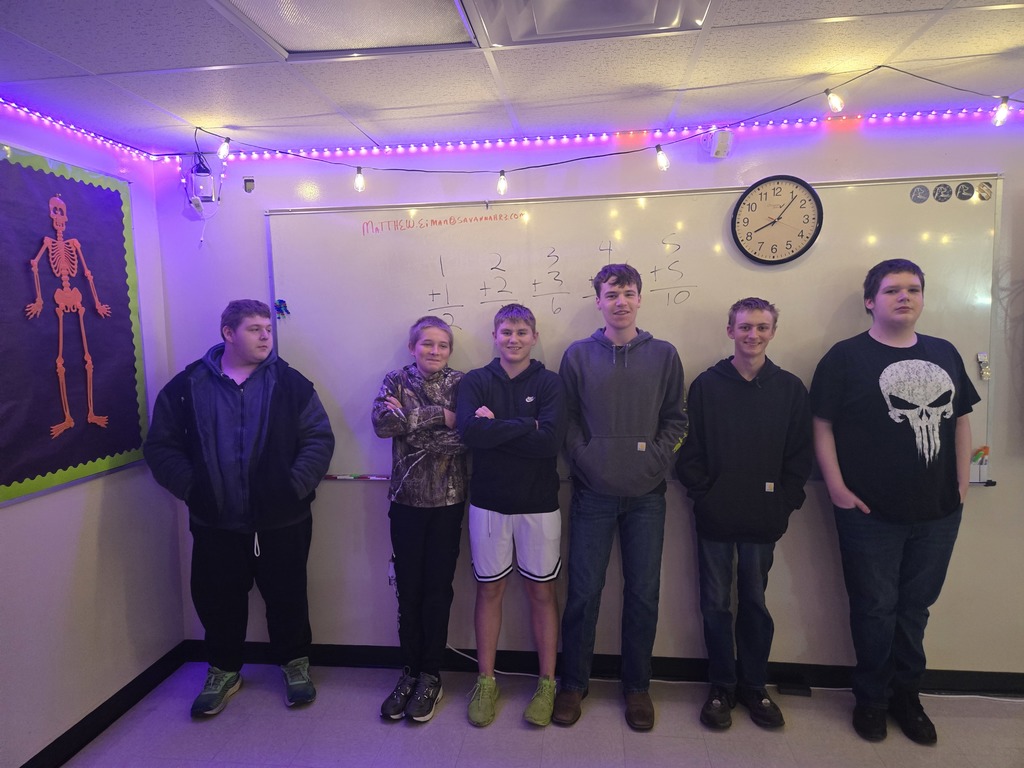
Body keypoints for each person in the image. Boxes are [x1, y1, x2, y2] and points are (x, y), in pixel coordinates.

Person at [810, 259, 979, 745]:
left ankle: (908, 697)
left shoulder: (944, 352)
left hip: (938, 512)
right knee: (874, 608)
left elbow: (960, 420)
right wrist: (836, 487)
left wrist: (962, 482)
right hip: (868, 514)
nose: (904, 296)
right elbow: (821, 424)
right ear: (871, 301)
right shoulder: (845, 357)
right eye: (891, 290)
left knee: (915, 609)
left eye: (913, 289)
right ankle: (872, 699)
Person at [144, 299, 335, 717]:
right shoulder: (187, 386)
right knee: (217, 599)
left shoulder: (291, 383)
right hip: (216, 521)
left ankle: (294, 664)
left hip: (283, 520)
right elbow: (161, 447)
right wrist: (193, 489)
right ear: (228, 333)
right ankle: (223, 669)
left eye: (268, 328)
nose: (266, 336)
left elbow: (318, 440)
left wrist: (292, 488)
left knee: (287, 595)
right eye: (254, 329)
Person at [553, 263, 687, 731]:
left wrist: (655, 462)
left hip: (647, 496)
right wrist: (585, 458)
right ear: (599, 301)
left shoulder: (665, 355)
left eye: (628, 293)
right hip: (591, 494)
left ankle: (637, 686)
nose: (620, 302)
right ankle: (573, 683)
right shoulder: (577, 355)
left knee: (643, 594)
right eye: (611, 294)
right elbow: (566, 420)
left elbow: (677, 420)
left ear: (640, 299)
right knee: (583, 593)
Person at [675, 297, 812, 731]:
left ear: (773, 332)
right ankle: (721, 686)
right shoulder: (706, 385)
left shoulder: (789, 389)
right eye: (745, 327)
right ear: (730, 330)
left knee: (754, 601)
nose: (753, 335)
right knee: (715, 604)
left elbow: (800, 455)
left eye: (762, 327)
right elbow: (688, 450)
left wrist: (784, 502)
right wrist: (705, 495)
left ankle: (754, 686)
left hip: (763, 517)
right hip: (715, 516)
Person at [456, 304, 567, 727]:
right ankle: (486, 680)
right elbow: (470, 433)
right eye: (506, 332)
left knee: (541, 592)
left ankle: (547, 682)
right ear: (495, 336)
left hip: (539, 504)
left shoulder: (550, 382)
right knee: (490, 591)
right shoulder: (476, 380)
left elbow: (550, 442)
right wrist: (528, 425)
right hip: (488, 503)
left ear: (534, 337)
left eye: (522, 332)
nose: (514, 339)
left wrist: (497, 425)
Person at [372, 316, 468, 723]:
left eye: (442, 345)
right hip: (405, 502)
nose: (434, 350)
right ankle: (409, 672)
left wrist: (411, 423)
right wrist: (439, 415)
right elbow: (383, 424)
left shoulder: (463, 383)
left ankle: (431, 674)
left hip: (448, 502)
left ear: (450, 350)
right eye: (427, 343)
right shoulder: (394, 380)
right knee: (408, 591)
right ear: (413, 347)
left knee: (437, 591)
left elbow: (464, 438)